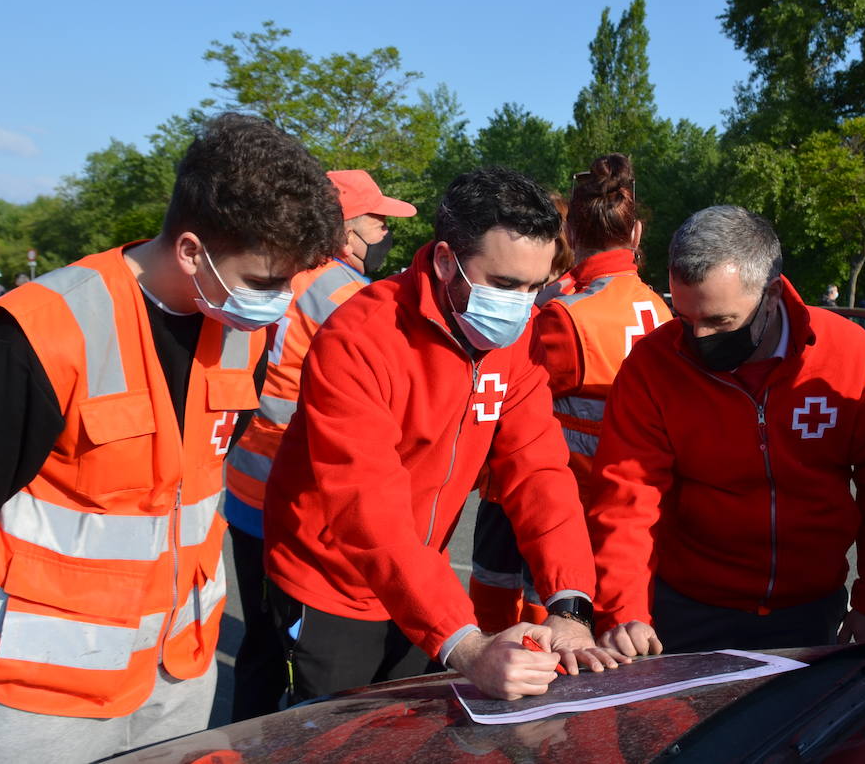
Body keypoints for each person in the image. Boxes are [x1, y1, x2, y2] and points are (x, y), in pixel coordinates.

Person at [0, 113, 344, 764]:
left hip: (179, 669)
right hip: (46, 686)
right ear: (192, 250)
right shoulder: (43, 328)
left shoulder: (237, 331)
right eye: (266, 282)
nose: (278, 304)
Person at [262, 166, 622, 704]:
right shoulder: (359, 337)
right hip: (333, 584)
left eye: (533, 287)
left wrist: (569, 605)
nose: (521, 307)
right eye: (503, 285)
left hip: (422, 585)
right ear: (446, 260)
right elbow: (366, 507)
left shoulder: (515, 340)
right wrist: (466, 645)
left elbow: (539, 470)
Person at [587, 205, 865, 658]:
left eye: (721, 322)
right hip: (687, 609)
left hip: (811, 610)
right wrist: (624, 610)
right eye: (685, 319)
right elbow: (627, 497)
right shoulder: (653, 366)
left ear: (773, 293)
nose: (700, 338)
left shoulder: (849, 355)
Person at [226, 168, 417, 721]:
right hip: (295, 493)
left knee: (260, 642)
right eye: (378, 220)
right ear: (344, 227)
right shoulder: (349, 295)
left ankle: (244, 740)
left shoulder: (278, 274)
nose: (385, 231)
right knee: (295, 652)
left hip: (246, 481)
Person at [468, 154, 673, 633]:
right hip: (626, 507)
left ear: (572, 235)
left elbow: (507, 402)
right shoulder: (662, 310)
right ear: (637, 233)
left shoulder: (562, 314)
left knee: (523, 628)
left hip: (551, 506)